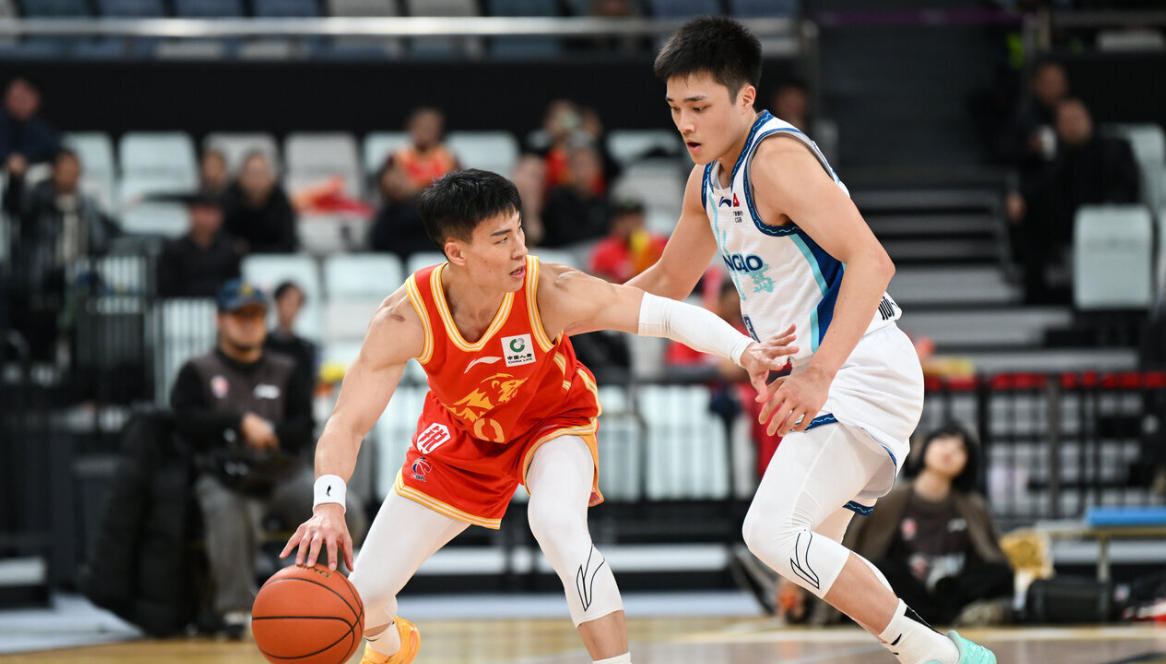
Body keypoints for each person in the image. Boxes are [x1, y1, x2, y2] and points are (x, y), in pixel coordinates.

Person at [281, 169, 795, 664]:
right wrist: (328, 505)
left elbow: (659, 313)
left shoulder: (547, 288)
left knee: (556, 524)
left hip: (551, 422)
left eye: (519, 230)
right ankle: (392, 649)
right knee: (364, 597)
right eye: (501, 238)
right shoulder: (404, 318)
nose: (519, 248)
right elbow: (347, 422)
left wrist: (742, 349)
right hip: (464, 436)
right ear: (456, 252)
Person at [629, 17, 996, 664]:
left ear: (745, 97)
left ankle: (940, 656)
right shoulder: (706, 180)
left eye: (699, 107)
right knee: (808, 561)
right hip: (827, 377)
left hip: (857, 368)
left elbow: (872, 261)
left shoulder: (775, 161)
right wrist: (563, 314)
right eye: (674, 108)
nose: (685, 123)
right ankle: (940, 652)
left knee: (768, 532)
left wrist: (820, 371)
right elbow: (665, 282)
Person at [171, 279, 366, 639]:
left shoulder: (287, 368)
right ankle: (234, 610)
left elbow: (304, 427)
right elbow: (184, 422)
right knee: (230, 511)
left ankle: (322, 597)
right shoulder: (197, 370)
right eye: (239, 315)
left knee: (347, 510)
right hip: (226, 477)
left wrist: (271, 433)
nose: (248, 323)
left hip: (282, 472)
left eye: (256, 315)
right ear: (220, 319)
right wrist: (238, 423)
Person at [844, 424, 1014, 627]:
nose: (949, 450)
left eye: (960, 449)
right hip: (908, 592)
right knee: (880, 569)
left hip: (952, 592)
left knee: (1000, 572)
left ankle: (945, 615)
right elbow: (862, 551)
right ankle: (943, 616)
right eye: (942, 440)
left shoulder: (973, 506)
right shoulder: (889, 500)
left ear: (967, 463)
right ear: (925, 447)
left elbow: (990, 557)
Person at [1005, 98, 1140, 303]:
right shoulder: (1058, 155)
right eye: (1065, 122)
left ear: (1088, 119)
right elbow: (1039, 183)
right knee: (1029, 216)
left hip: (1107, 217)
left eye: (1075, 119)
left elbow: (1128, 185)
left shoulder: (1114, 147)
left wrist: (1112, 206)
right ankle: (1036, 291)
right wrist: (1020, 196)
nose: (1071, 126)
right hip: (1067, 218)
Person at [2, 147, 118, 360]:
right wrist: (16, 180)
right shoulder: (37, 199)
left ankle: (79, 357)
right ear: (53, 171)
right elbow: (16, 206)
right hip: (41, 280)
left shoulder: (87, 205)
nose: (69, 176)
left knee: (91, 289)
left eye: (74, 170)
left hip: (78, 277)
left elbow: (105, 239)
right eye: (65, 170)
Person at [370, 107, 460, 261]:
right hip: (402, 221)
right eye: (422, 126)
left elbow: (455, 191)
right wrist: (432, 185)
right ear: (411, 127)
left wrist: (414, 187)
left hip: (436, 221)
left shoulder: (448, 157)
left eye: (431, 127)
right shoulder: (398, 155)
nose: (426, 131)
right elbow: (392, 187)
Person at [156, 193, 242, 298]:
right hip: (181, 304)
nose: (205, 220)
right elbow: (165, 288)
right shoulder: (173, 249)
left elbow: (235, 286)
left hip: (221, 304)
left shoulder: (230, 249)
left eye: (210, 214)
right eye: (200, 212)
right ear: (190, 213)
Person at [222, 151, 298, 254]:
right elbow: (222, 241)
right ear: (241, 177)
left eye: (261, 174)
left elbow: (289, 244)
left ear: (271, 178)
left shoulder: (280, 201)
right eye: (252, 174)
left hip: (274, 260)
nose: (256, 181)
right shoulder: (229, 199)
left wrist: (250, 248)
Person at [541, 146, 611, 249]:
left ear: (598, 169)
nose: (582, 172)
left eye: (587, 165)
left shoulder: (603, 203)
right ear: (568, 169)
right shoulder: (556, 198)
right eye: (578, 165)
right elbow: (562, 235)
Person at [588, 197, 667, 284]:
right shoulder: (604, 251)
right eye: (626, 218)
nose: (632, 223)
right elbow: (599, 283)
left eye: (636, 217)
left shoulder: (657, 243)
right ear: (616, 222)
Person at [264, 280, 318, 386]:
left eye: (297, 303)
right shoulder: (262, 344)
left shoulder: (307, 348)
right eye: (288, 301)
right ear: (277, 303)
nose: (291, 308)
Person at [0, 77, 59, 170]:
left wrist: (24, 158)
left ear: (36, 100)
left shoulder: (40, 126)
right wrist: (8, 159)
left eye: (23, 99)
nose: (19, 104)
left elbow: (51, 146)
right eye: (15, 98)